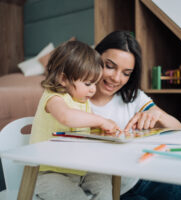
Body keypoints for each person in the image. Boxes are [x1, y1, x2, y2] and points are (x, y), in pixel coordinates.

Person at [89, 30, 181, 200]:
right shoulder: (76, 100)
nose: (116, 78)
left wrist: (157, 115)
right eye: (109, 66)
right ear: (94, 58)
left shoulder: (133, 97)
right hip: (105, 190)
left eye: (126, 73)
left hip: (139, 178)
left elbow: (178, 127)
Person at [30, 41, 119, 200]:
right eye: (88, 83)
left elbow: (85, 130)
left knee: (105, 182)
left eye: (95, 83)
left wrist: (104, 132)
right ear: (63, 79)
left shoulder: (82, 102)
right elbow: (66, 117)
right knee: (76, 197)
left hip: (78, 169)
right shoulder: (53, 97)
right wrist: (100, 120)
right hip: (48, 173)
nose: (93, 89)